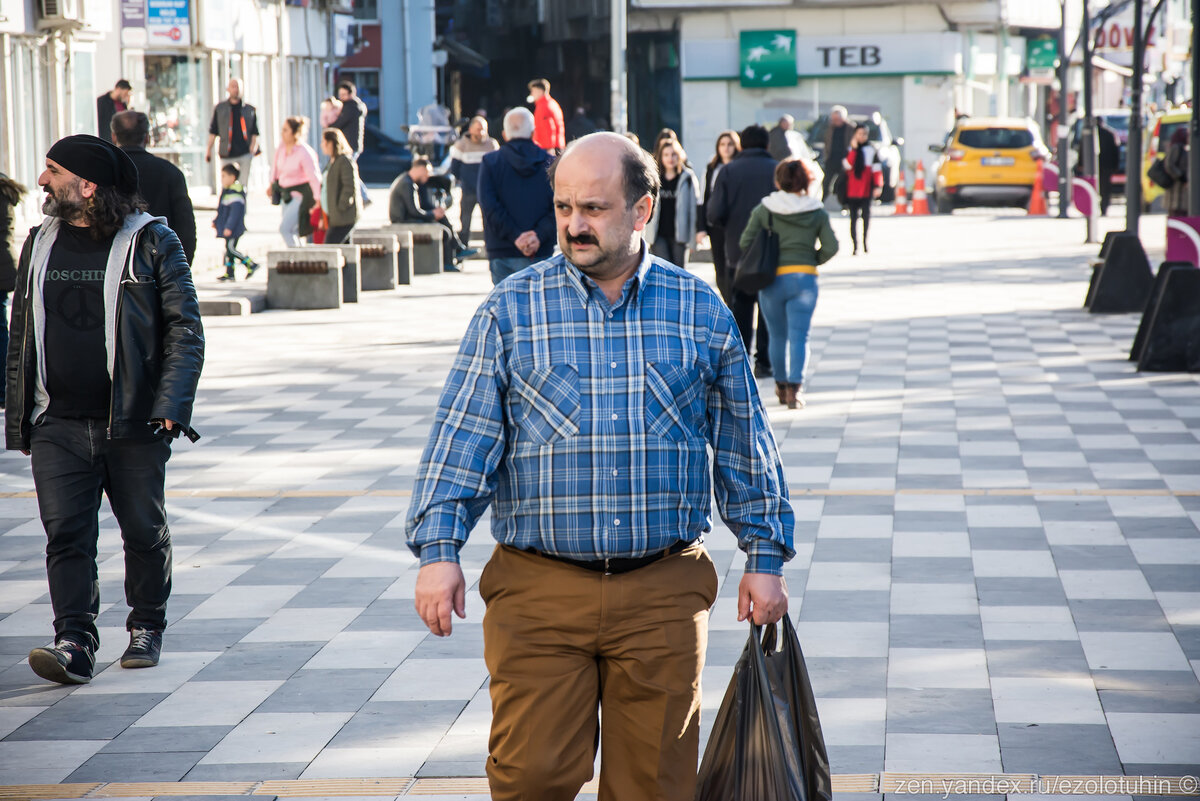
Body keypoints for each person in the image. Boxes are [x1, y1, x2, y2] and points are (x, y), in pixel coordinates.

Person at [406, 131, 793, 801]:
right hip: (538, 593)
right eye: (562, 208)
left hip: (662, 592)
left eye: (592, 208)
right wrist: (439, 550)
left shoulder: (699, 310)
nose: (572, 225)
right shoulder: (510, 311)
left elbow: (744, 443)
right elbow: (461, 437)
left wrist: (764, 555)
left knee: (654, 788)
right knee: (530, 777)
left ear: (642, 211)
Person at [6, 134, 203, 685]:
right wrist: (21, 412)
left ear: (87, 185)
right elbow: (23, 329)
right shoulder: (40, 241)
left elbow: (186, 328)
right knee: (66, 534)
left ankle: (146, 625)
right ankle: (74, 641)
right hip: (57, 422)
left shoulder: (152, 241)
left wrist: (171, 405)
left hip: (133, 421)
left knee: (142, 529)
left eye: (52, 170)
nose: (42, 180)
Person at [740, 158, 838, 410]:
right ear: (807, 181)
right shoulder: (816, 211)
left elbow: (745, 242)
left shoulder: (766, 209)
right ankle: (796, 389)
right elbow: (832, 246)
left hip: (772, 279)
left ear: (778, 180)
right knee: (799, 336)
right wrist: (812, 259)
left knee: (777, 336)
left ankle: (781, 386)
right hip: (805, 279)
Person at [707, 124, 776, 378]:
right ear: (767, 145)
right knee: (767, 308)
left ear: (742, 146)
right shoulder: (777, 170)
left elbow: (714, 214)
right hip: (771, 251)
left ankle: (743, 359)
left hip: (738, 252)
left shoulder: (728, 171)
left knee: (741, 308)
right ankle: (765, 362)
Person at [477, 107, 555, 285]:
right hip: (540, 249)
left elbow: (488, 206)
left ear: (504, 134)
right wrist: (538, 235)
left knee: (506, 310)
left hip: (502, 248)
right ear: (534, 133)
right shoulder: (550, 163)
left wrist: (515, 235)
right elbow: (559, 205)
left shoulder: (490, 162)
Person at [111, 111, 197, 265]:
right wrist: (181, 268)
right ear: (147, 137)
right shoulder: (170, 172)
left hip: (114, 265)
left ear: (114, 137)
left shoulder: (104, 174)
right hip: (160, 265)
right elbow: (186, 228)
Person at [388, 158, 476, 272]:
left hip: (406, 218)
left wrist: (434, 213)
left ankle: (457, 250)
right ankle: (451, 257)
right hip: (402, 221)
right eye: (427, 172)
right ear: (421, 169)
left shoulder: (407, 181)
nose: (428, 176)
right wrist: (432, 214)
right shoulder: (407, 184)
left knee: (441, 218)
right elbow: (414, 211)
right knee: (444, 231)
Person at [698, 130, 741, 305]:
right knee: (720, 269)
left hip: (735, 225)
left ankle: (735, 303)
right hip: (715, 224)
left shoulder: (740, 166)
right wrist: (700, 227)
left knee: (734, 267)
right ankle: (729, 303)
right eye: (722, 144)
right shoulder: (711, 168)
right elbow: (703, 197)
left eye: (730, 144)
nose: (726, 148)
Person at [646, 138, 699, 269]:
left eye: (674, 154)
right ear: (661, 156)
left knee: (678, 271)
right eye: (666, 155)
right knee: (664, 269)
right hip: (658, 234)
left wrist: (693, 240)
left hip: (679, 235)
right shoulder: (655, 178)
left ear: (679, 156)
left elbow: (693, 209)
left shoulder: (687, 177)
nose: (670, 158)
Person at [269, 116, 321, 247]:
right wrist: (271, 184)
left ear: (294, 133)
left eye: (285, 130)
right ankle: (301, 260)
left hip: (301, 197)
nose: (282, 133)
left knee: (285, 229)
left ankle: (296, 259)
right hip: (285, 195)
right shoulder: (281, 148)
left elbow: (314, 177)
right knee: (293, 231)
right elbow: (275, 167)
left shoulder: (304, 152)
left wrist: (318, 199)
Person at [448, 116, 500, 243]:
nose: (481, 133)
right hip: (468, 190)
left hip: (487, 192)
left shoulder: (492, 145)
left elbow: (498, 167)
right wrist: (462, 181)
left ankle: (490, 250)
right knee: (465, 223)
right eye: (478, 129)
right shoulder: (461, 145)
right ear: (470, 129)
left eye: (483, 130)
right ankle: (463, 249)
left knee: (489, 224)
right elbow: (454, 168)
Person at [206, 79, 260, 191]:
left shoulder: (249, 109)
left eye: (238, 87)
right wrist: (208, 150)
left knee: (242, 186)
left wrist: (253, 147)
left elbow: (255, 132)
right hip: (227, 153)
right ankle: (227, 207)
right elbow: (213, 131)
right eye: (233, 86)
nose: (236, 89)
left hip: (245, 152)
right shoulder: (220, 108)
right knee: (227, 185)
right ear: (228, 89)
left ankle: (241, 207)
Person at [0, 173, 25, 410]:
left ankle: (3, 389)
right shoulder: (6, 192)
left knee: (2, 330)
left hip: (2, 266)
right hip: (4, 265)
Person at [842, 122, 882, 255]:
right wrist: (853, 150)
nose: (862, 136)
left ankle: (865, 242)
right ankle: (855, 246)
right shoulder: (849, 150)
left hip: (866, 189)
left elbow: (877, 169)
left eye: (864, 134)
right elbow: (847, 166)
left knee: (866, 217)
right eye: (859, 134)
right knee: (853, 219)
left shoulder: (871, 149)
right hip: (852, 190)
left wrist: (878, 185)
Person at [214, 164, 258, 282]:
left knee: (231, 248)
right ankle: (230, 273)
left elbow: (235, 214)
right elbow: (222, 210)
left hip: (234, 228)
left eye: (224, 176)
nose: (221, 179)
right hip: (227, 226)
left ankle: (250, 264)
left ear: (232, 177)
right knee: (228, 250)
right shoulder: (227, 191)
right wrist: (216, 221)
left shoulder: (235, 192)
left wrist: (229, 227)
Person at [331, 80, 371, 206]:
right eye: (340, 95)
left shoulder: (351, 107)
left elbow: (339, 124)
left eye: (344, 95)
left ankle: (364, 197)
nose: (341, 98)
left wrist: (329, 126)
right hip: (351, 145)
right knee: (351, 170)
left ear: (351, 94)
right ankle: (364, 197)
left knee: (350, 171)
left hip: (350, 145)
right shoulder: (353, 106)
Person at [319, 128, 361, 245]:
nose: (322, 145)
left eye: (324, 142)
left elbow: (349, 187)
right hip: (334, 217)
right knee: (344, 251)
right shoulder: (331, 162)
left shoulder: (344, 161)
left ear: (332, 143)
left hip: (343, 217)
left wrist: (340, 207)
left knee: (330, 247)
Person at [527, 78, 565, 154]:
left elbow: (548, 129)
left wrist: (548, 151)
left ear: (540, 91)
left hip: (548, 150)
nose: (531, 94)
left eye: (533, 91)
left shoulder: (543, 107)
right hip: (557, 147)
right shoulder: (552, 103)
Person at [821, 105, 850, 202]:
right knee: (826, 183)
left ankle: (842, 203)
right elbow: (826, 143)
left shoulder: (851, 128)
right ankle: (824, 202)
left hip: (845, 160)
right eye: (833, 119)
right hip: (831, 159)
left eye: (837, 119)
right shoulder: (830, 129)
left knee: (842, 183)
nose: (835, 121)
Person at [1096, 118, 1119, 216]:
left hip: (1097, 165)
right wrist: (1115, 165)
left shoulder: (1091, 134)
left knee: (1097, 187)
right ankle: (1103, 208)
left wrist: (1081, 164)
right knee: (1105, 189)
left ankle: (1098, 207)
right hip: (1107, 165)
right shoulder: (1110, 133)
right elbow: (1116, 151)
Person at [1165, 127, 1190, 217]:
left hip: (1182, 191)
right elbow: (1169, 165)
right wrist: (1181, 177)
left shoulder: (1185, 148)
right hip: (1176, 188)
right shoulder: (1176, 147)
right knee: (1176, 213)